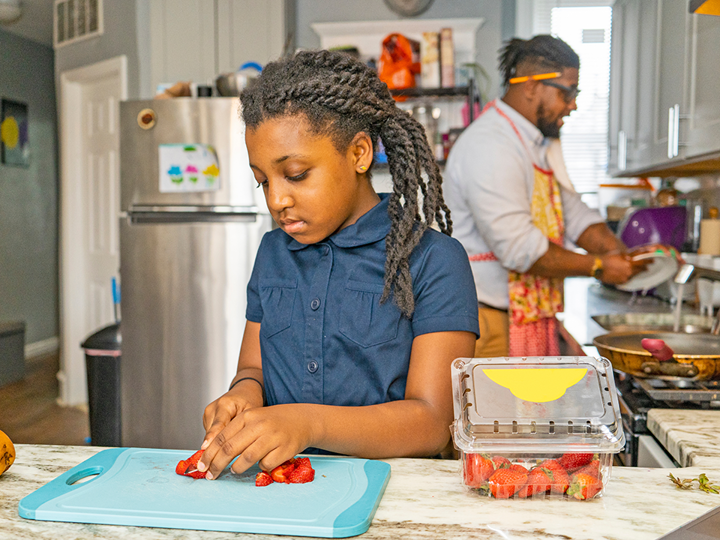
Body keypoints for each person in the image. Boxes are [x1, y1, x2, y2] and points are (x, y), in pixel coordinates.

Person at [196, 50, 479, 480]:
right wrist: (243, 396)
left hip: (391, 491)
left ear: (360, 153)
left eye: (295, 174)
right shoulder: (272, 252)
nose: (276, 200)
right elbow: (252, 368)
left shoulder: (434, 260)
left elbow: (433, 422)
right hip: (277, 484)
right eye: (262, 181)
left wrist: (308, 423)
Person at [444, 35, 655, 358]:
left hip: (522, 314)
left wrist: (621, 255)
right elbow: (519, 249)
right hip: (488, 323)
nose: (573, 104)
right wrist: (600, 267)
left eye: (576, 93)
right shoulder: (491, 145)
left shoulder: (533, 143)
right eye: (567, 92)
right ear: (530, 86)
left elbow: (572, 213)